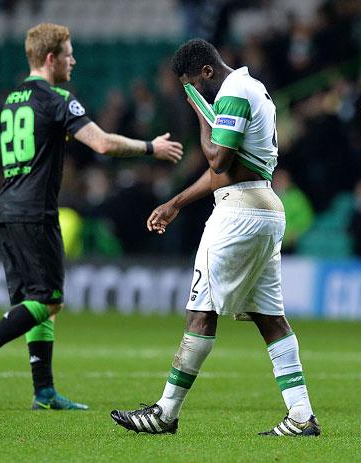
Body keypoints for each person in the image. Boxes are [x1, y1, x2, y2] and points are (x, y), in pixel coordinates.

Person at [0, 23, 183, 410]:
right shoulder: (56, 98)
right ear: (51, 58)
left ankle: (43, 391)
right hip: (34, 210)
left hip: (8, 207)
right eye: (69, 53)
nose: (74, 60)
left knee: (35, 301)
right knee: (49, 300)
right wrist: (149, 147)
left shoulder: (11, 101)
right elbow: (103, 143)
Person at [110, 39, 320, 437]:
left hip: (238, 214)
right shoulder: (253, 89)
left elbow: (217, 159)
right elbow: (226, 167)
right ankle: (301, 415)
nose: (193, 92)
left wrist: (201, 111)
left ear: (206, 71)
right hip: (263, 206)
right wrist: (176, 202)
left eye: (193, 83)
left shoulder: (233, 93)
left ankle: (165, 413)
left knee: (201, 312)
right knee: (271, 319)